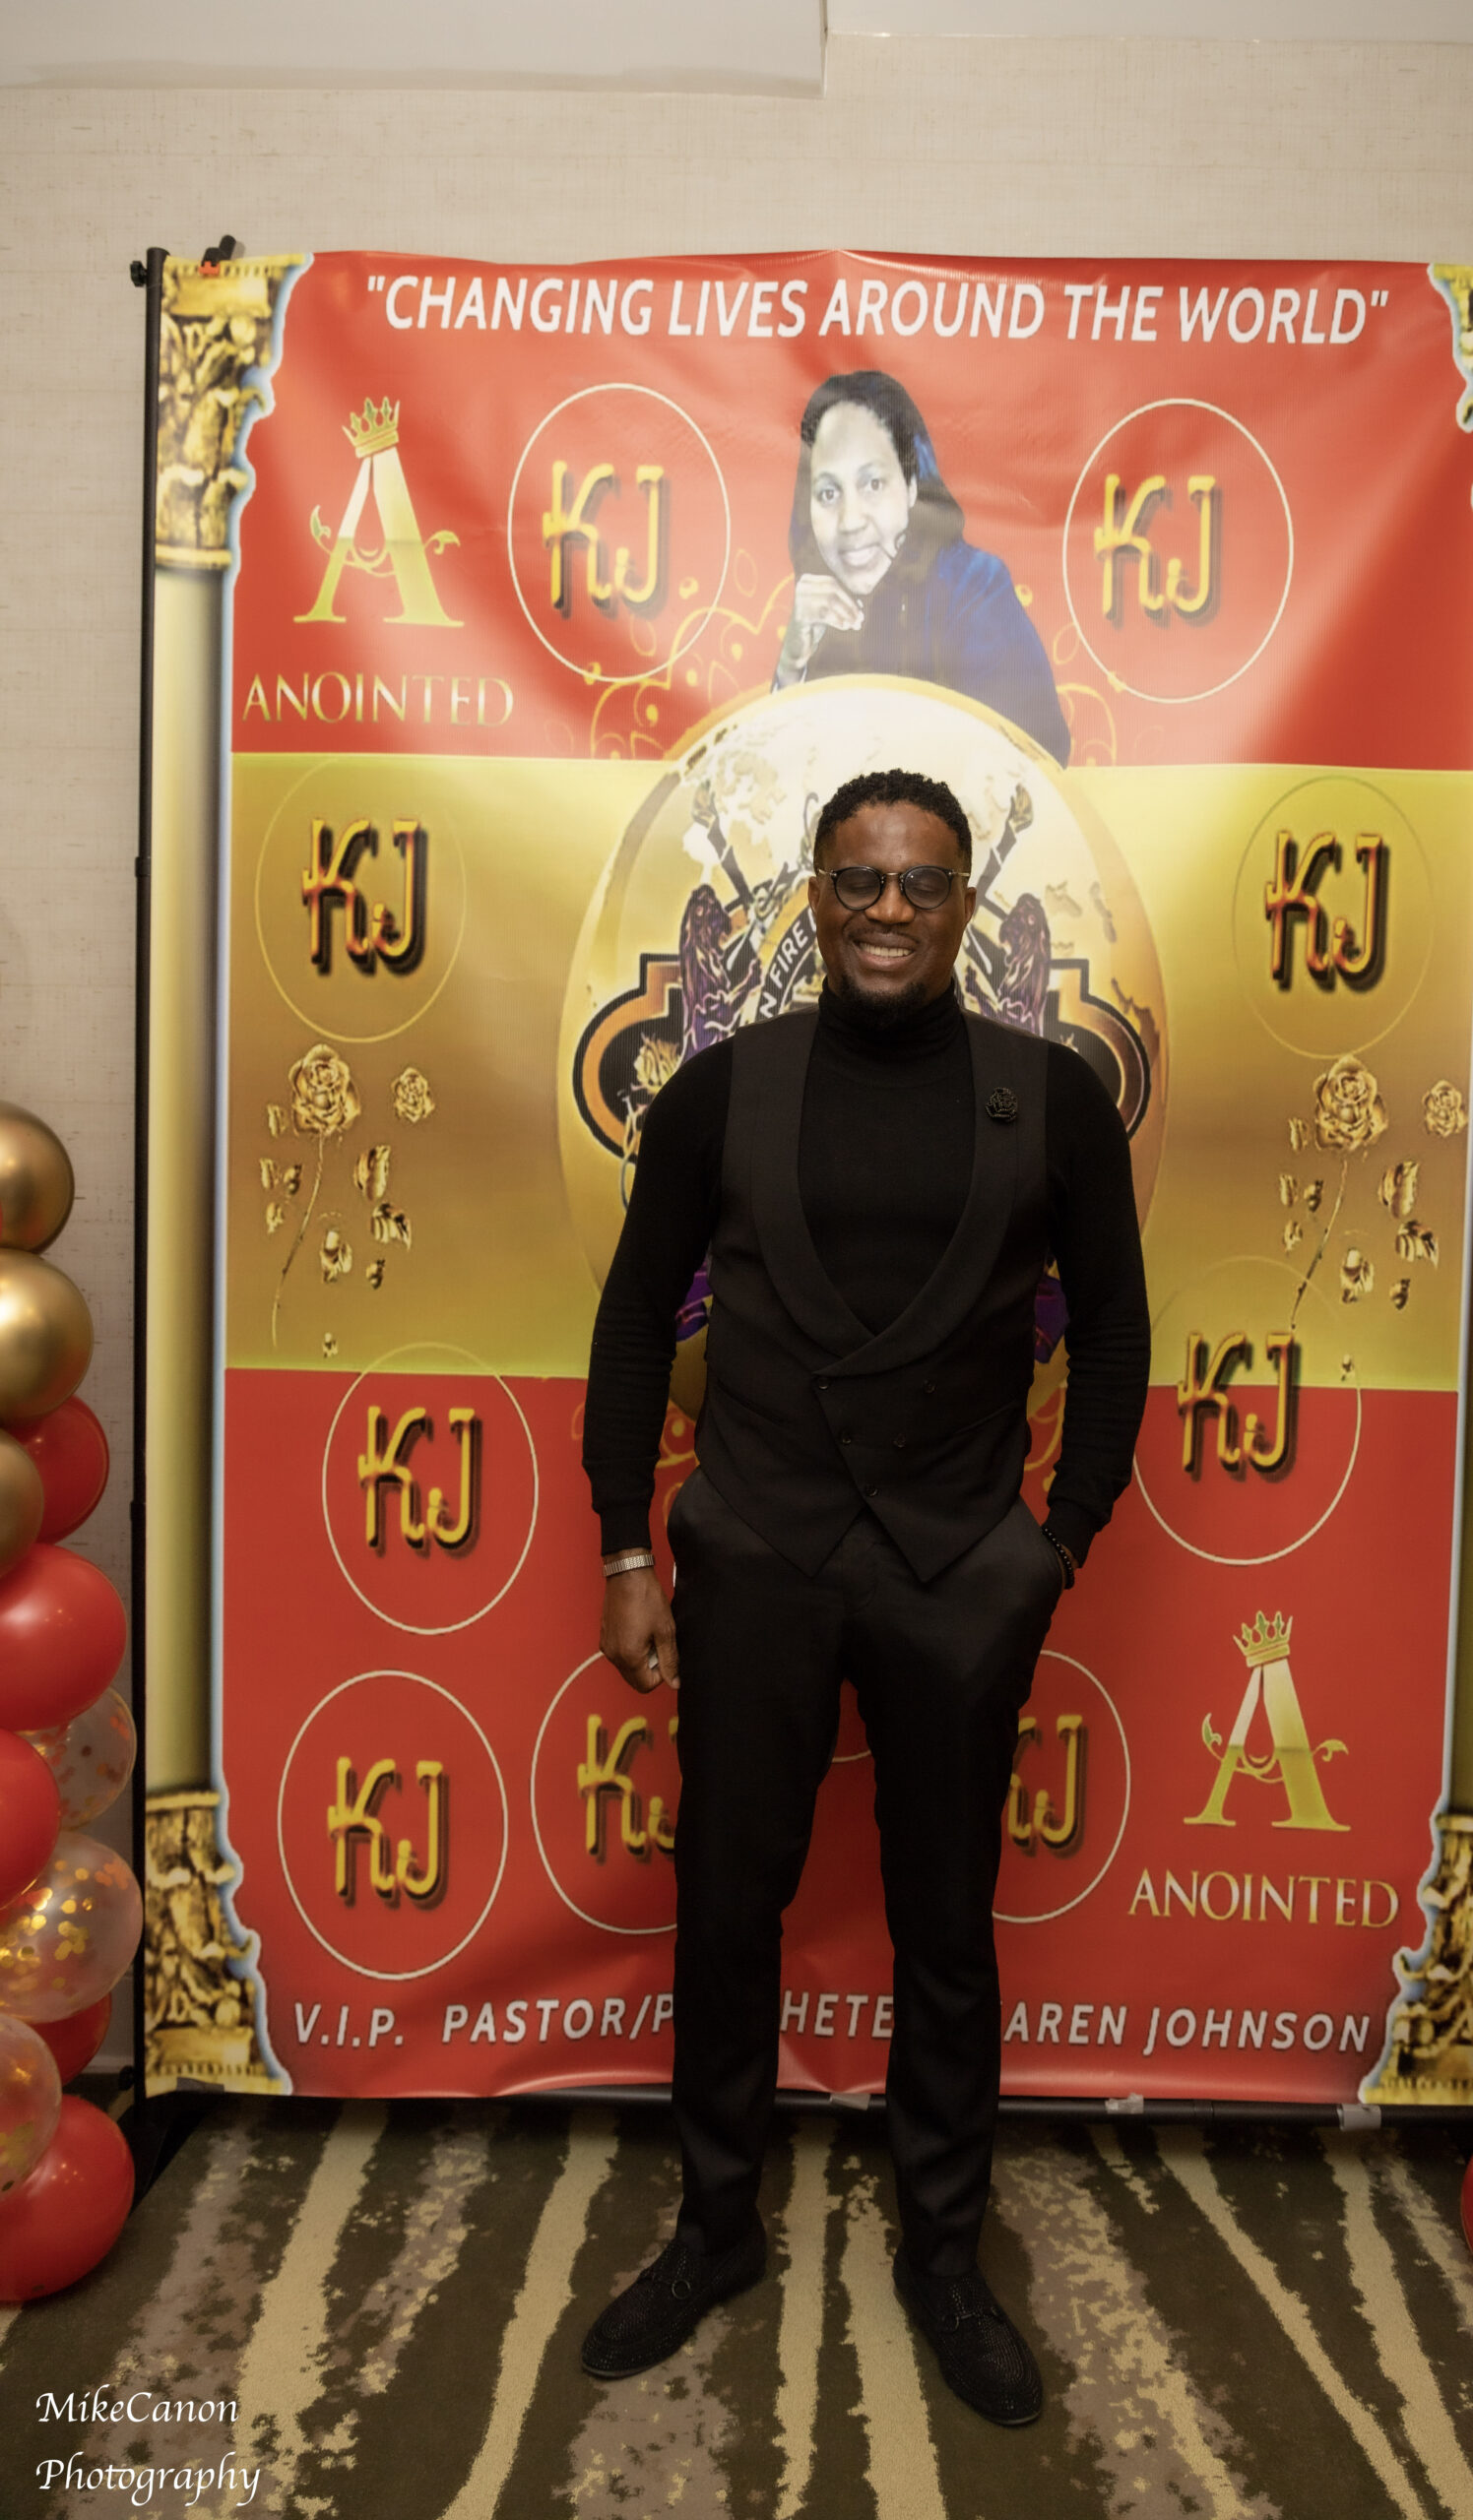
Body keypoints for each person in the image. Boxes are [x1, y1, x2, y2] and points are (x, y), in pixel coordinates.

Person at [579, 767, 1148, 2425]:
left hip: (961, 1565)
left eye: (919, 882)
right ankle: (712, 2229)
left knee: (945, 1924)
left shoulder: (1051, 1100)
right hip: (755, 1553)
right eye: (856, 880)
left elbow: (1114, 1331)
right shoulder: (718, 1092)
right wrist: (626, 1548)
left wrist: (1060, 1540)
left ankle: (943, 2255)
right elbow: (631, 1321)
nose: (887, 909)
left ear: (965, 901)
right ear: (812, 897)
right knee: (724, 1905)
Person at [772, 372, 1072, 767]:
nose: (850, 521)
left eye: (873, 484)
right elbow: (776, 782)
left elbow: (1030, 761)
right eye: (828, 493)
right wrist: (791, 668)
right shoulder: (819, 609)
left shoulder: (974, 589)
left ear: (912, 485)